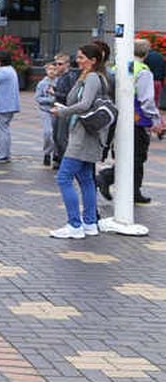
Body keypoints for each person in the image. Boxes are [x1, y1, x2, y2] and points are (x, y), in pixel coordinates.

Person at [49, 44, 108, 238]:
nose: (78, 60)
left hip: (83, 135)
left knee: (64, 177)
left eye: (82, 57)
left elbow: (83, 104)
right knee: (85, 180)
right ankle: (89, 223)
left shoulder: (92, 78)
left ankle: (74, 224)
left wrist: (62, 111)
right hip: (89, 135)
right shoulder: (94, 77)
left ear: (93, 60)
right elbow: (76, 99)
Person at [99, 38, 157, 204]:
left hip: (118, 117)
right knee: (137, 156)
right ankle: (107, 177)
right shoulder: (143, 71)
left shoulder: (117, 67)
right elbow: (146, 99)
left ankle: (134, 190)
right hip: (137, 120)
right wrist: (154, 117)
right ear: (146, 53)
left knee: (126, 153)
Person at [52, 52, 79, 166]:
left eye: (60, 64)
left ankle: (65, 161)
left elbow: (70, 96)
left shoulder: (70, 76)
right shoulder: (62, 76)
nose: (57, 66)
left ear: (67, 64)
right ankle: (59, 158)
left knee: (61, 137)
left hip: (64, 109)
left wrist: (55, 92)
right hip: (58, 108)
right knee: (56, 135)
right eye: (56, 64)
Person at [35, 57, 62, 167]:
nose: (51, 71)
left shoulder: (59, 82)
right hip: (45, 111)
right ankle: (47, 153)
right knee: (48, 132)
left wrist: (56, 99)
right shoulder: (42, 84)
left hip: (57, 111)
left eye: (54, 69)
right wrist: (50, 100)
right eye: (49, 69)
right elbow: (38, 98)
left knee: (57, 134)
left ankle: (56, 154)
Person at [146, 43, 166, 139]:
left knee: (148, 104)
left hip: (149, 82)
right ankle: (161, 125)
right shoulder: (160, 57)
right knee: (156, 105)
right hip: (158, 82)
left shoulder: (147, 57)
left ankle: (151, 127)